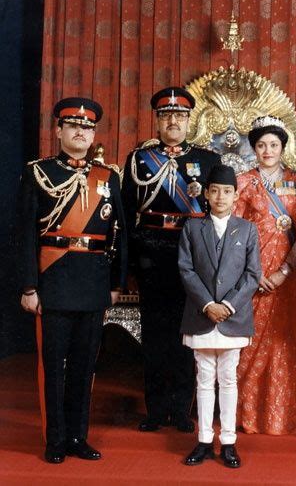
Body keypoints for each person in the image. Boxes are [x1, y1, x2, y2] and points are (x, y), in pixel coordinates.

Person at [17, 97, 127, 464]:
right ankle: (55, 439)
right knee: (54, 367)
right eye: (73, 126)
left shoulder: (107, 177)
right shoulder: (39, 172)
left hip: (93, 285)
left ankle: (78, 437)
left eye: (87, 127)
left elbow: (119, 234)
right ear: (60, 130)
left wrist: (116, 283)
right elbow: (23, 236)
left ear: (93, 133)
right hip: (53, 283)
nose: (81, 132)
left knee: (84, 367)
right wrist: (29, 287)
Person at [121, 86, 221, 433]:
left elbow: (215, 214)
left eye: (180, 116)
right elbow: (127, 214)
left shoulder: (208, 160)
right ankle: (155, 410)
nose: (174, 121)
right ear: (158, 121)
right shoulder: (139, 160)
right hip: (152, 257)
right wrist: (132, 264)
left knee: (186, 335)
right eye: (167, 116)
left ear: (189, 120)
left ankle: (181, 410)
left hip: (192, 257)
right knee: (155, 336)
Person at [234, 115, 296, 435]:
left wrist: (283, 271)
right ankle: (248, 416)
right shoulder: (242, 182)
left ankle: (284, 418)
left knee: (285, 345)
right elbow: (233, 232)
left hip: (287, 277)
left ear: (283, 148)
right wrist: (252, 273)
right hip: (252, 276)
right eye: (262, 145)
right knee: (249, 345)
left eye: (274, 145)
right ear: (254, 148)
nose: (268, 150)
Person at [178, 165, 261, 468]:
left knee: (228, 379)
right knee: (203, 378)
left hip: (232, 316)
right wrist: (206, 304)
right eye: (215, 191)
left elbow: (253, 275)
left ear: (236, 195)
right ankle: (203, 440)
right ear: (206, 194)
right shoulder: (193, 227)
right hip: (201, 315)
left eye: (227, 191)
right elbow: (186, 269)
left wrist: (227, 305)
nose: (221, 197)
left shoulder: (248, 229)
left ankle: (228, 442)